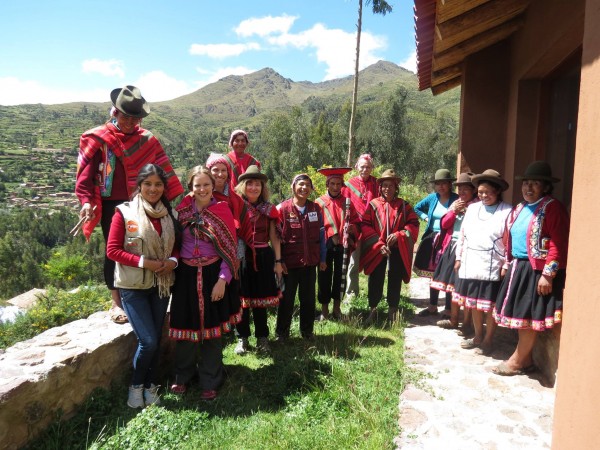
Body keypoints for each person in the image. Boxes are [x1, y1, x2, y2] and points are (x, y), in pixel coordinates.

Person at [75, 85, 183, 324]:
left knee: (147, 246)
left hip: (144, 200)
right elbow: (85, 175)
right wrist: (85, 201)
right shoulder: (98, 138)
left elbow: (162, 170)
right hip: (111, 203)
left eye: (135, 118)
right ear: (115, 112)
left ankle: (148, 295)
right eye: (126, 117)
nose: (130, 123)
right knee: (114, 251)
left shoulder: (147, 140)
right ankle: (116, 303)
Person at [105, 164, 180, 408]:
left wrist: (173, 261)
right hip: (133, 286)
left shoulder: (170, 215)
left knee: (156, 338)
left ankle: (150, 387)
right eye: (148, 184)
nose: (153, 189)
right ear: (139, 185)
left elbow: (176, 245)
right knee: (148, 341)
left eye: (158, 184)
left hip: (160, 285)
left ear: (164, 188)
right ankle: (136, 386)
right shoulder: (124, 213)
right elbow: (113, 250)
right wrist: (143, 262)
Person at [169, 166, 241, 401]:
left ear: (213, 186)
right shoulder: (182, 212)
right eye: (197, 185)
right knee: (185, 330)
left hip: (213, 274)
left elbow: (230, 250)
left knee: (212, 333)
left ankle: (211, 379)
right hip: (186, 276)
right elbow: (174, 243)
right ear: (190, 188)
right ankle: (183, 377)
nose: (202, 189)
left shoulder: (222, 211)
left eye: (206, 185)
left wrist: (223, 280)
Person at [493, 161, 569, 376]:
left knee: (527, 318)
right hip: (519, 266)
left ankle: (517, 361)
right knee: (520, 316)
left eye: (535, 183)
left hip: (536, 270)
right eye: (526, 183)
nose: (528, 188)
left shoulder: (552, 207)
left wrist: (548, 274)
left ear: (545, 187)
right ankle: (525, 360)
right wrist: (507, 264)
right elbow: (511, 238)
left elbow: (558, 242)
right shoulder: (520, 208)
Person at [453, 169, 512, 355]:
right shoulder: (472, 209)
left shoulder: (507, 211)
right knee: (474, 304)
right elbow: (462, 235)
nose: (483, 195)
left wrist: (505, 264)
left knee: (489, 305)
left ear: (497, 191)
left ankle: (488, 340)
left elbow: (509, 241)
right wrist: (458, 257)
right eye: (480, 192)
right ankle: (478, 336)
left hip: (492, 264)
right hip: (471, 263)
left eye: (487, 192)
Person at [233, 166, 283, 355]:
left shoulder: (269, 210)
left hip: (263, 256)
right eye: (250, 184)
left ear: (263, 188)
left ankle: (262, 337)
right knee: (243, 301)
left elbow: (274, 236)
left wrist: (278, 262)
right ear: (243, 186)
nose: (254, 188)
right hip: (242, 257)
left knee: (260, 301)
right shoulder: (237, 206)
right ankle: (242, 338)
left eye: (258, 184)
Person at [360, 169, 420, 324]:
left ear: (396, 187)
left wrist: (399, 235)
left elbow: (413, 224)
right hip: (379, 248)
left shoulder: (404, 206)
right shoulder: (373, 205)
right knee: (376, 277)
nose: (387, 188)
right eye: (384, 185)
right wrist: (379, 244)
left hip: (397, 248)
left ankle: (392, 311)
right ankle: (373, 310)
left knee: (395, 277)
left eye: (391, 185)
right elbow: (365, 225)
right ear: (380, 187)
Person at [275, 173, 327, 341]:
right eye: (300, 184)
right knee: (286, 300)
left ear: (311, 189)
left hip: (310, 263)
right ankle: (282, 334)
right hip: (288, 265)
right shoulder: (282, 209)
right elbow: (276, 239)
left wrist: (323, 258)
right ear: (293, 187)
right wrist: (280, 260)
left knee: (308, 300)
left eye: (307, 185)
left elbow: (321, 237)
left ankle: (307, 332)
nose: (304, 188)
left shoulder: (315, 208)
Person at [433, 173, 478, 330]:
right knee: (453, 286)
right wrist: (453, 212)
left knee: (465, 287)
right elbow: (444, 223)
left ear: (474, 190)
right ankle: (453, 319)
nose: (462, 192)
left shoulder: (477, 205)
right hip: (453, 246)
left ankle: (466, 322)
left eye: (466, 189)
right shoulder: (456, 203)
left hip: (469, 249)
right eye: (460, 189)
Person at [315, 167, 359, 320]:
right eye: (332, 183)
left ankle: (337, 309)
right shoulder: (318, 203)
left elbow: (355, 222)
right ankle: (324, 310)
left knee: (340, 276)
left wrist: (352, 229)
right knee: (324, 276)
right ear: (327, 184)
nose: (335, 187)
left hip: (343, 245)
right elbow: (316, 226)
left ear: (342, 185)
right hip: (325, 246)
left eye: (338, 184)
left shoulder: (348, 203)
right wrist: (330, 235)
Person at [414, 169, 459, 316]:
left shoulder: (456, 200)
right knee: (432, 272)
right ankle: (432, 306)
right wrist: (426, 218)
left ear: (450, 184)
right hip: (432, 238)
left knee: (447, 272)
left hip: (448, 239)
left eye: (444, 183)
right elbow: (417, 208)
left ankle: (448, 308)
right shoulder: (432, 198)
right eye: (438, 184)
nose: (441, 187)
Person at [341, 154, 378, 301]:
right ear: (357, 167)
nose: (365, 169)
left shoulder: (377, 184)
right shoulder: (349, 184)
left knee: (374, 259)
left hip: (373, 227)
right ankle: (351, 294)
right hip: (355, 228)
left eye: (368, 167)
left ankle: (374, 294)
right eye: (362, 166)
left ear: (372, 168)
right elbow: (343, 205)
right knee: (353, 262)